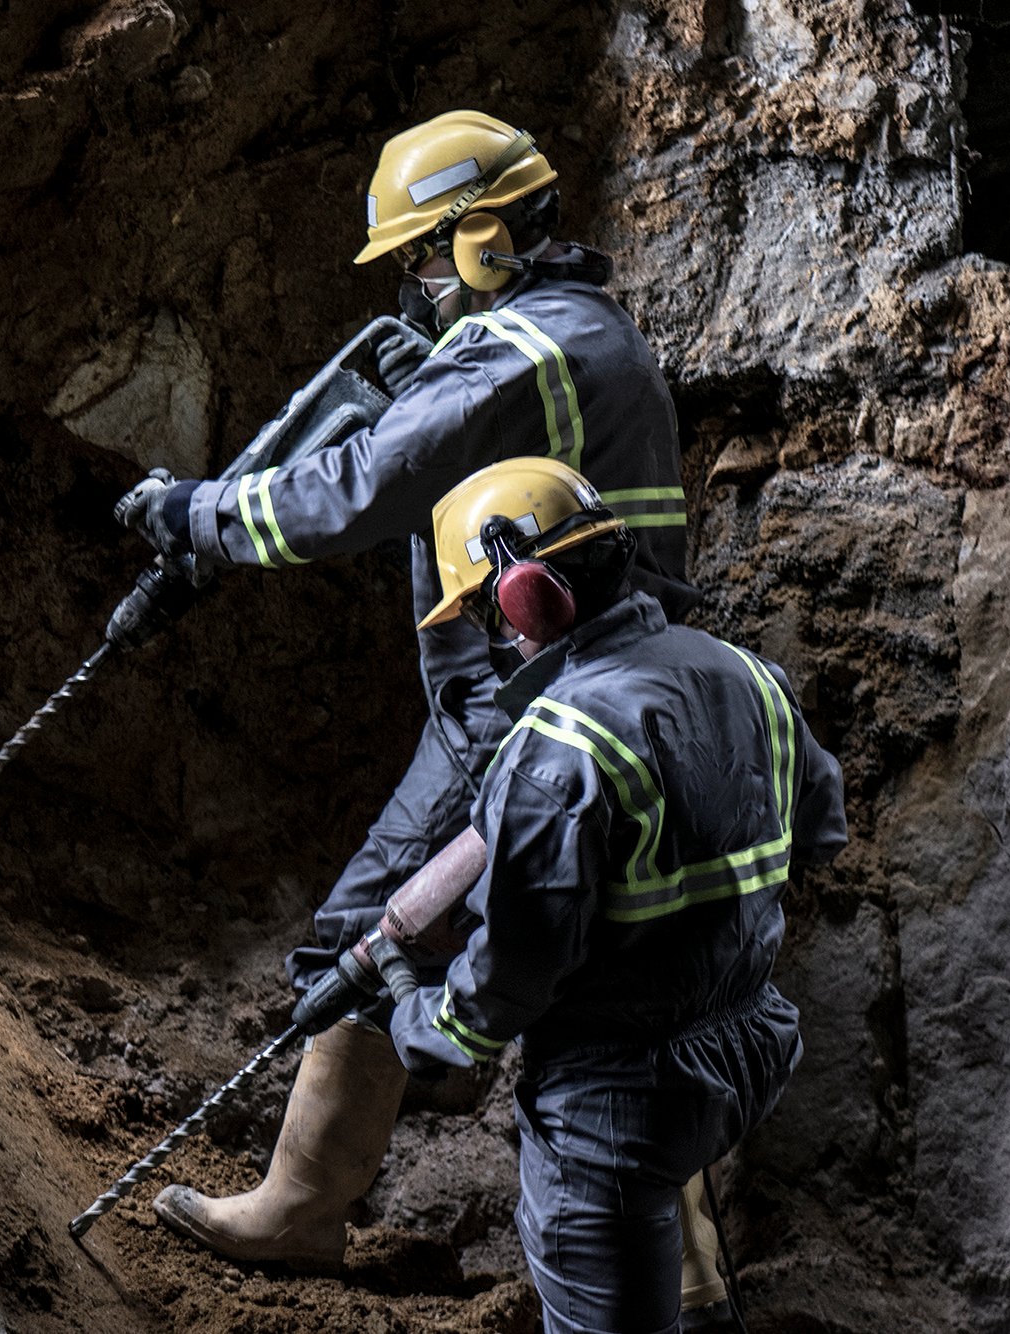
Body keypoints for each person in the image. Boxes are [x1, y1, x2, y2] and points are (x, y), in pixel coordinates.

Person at [120, 111, 703, 1276]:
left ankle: (301, 1206)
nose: (415, 283)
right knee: (622, 993)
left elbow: (362, 488)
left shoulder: (519, 348)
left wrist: (203, 513)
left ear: (481, 238)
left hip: (526, 708)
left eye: (423, 256)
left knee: (360, 940)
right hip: (595, 689)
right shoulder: (582, 331)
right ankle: (683, 1279)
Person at [390, 457, 847, 1333]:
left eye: (487, 614)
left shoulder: (555, 747)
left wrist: (421, 1018)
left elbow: (511, 981)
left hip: (616, 1105)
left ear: (526, 596)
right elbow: (819, 832)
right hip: (746, 1048)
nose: (496, 638)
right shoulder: (751, 674)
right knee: (684, 1285)